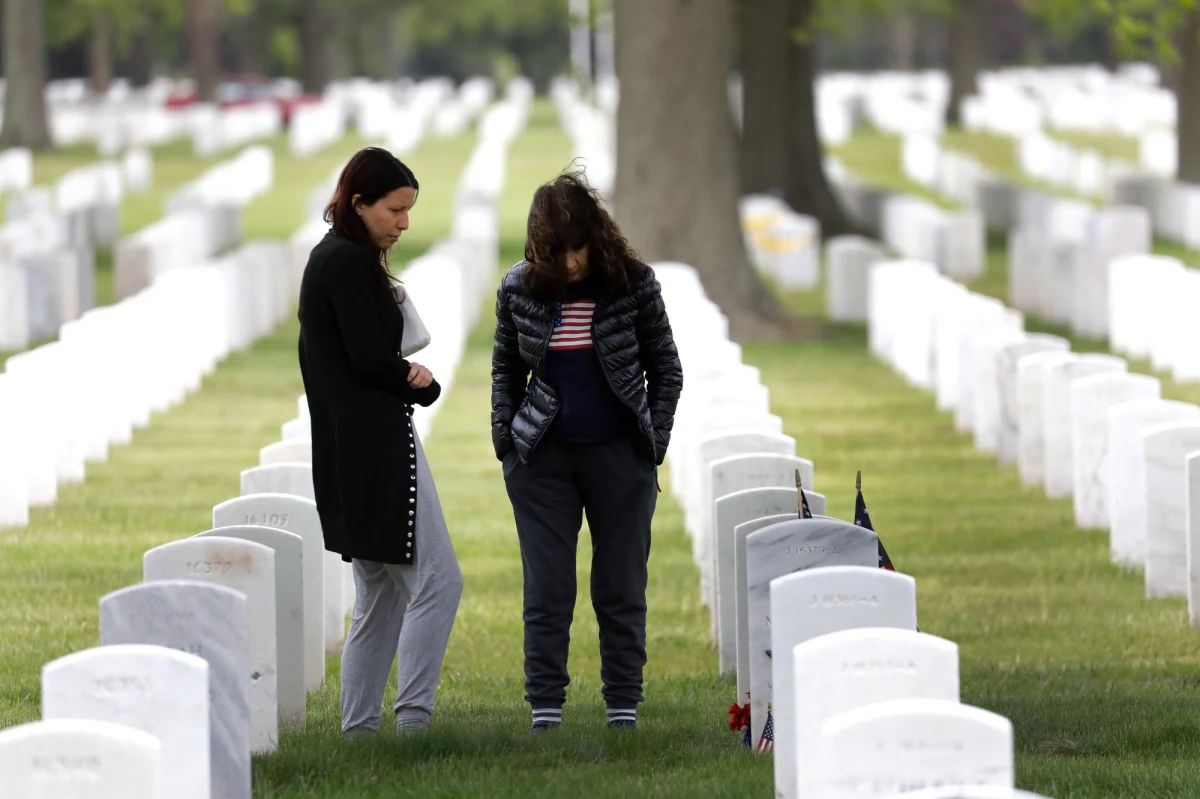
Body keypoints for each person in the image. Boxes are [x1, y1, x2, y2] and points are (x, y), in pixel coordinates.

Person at [491, 167, 684, 734]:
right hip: (542, 461)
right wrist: (506, 440)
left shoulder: (634, 283)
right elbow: (505, 367)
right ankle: (545, 711)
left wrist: (654, 442)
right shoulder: (518, 289)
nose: (571, 263)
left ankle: (622, 707)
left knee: (621, 586)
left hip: (620, 458)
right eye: (557, 251)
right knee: (548, 590)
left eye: (578, 248)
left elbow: (665, 368)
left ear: (595, 236)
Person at [298, 147, 463, 738]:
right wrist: (417, 382)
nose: (404, 222)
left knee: (379, 598)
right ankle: (412, 723)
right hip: (377, 447)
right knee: (438, 584)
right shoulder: (344, 263)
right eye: (394, 209)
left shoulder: (335, 257)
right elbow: (368, 358)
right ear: (359, 203)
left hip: (348, 447)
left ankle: (358, 732)